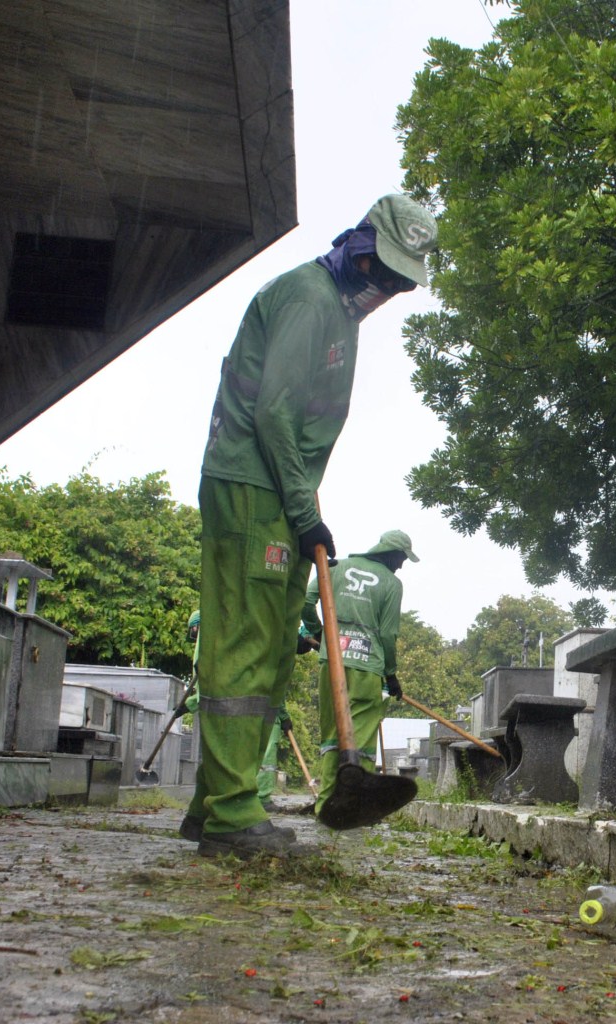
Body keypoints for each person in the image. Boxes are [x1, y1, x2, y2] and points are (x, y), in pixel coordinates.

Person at [182, 196, 438, 858]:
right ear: (358, 248)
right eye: (383, 272)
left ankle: (214, 804)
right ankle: (231, 815)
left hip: (272, 487)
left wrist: (303, 507)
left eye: (401, 282)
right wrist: (304, 514)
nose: (387, 289)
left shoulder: (337, 310)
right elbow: (275, 413)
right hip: (254, 487)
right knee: (246, 645)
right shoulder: (309, 298)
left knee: (268, 648)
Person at [300, 530, 417, 816]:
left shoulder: (335, 567)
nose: (401, 565)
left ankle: (325, 804)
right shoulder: (391, 583)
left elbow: (305, 603)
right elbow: (387, 634)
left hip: (332, 662)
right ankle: (355, 807)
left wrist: (319, 633)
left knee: (332, 735)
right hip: (368, 666)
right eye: (402, 558)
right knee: (361, 739)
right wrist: (391, 674)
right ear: (390, 553)